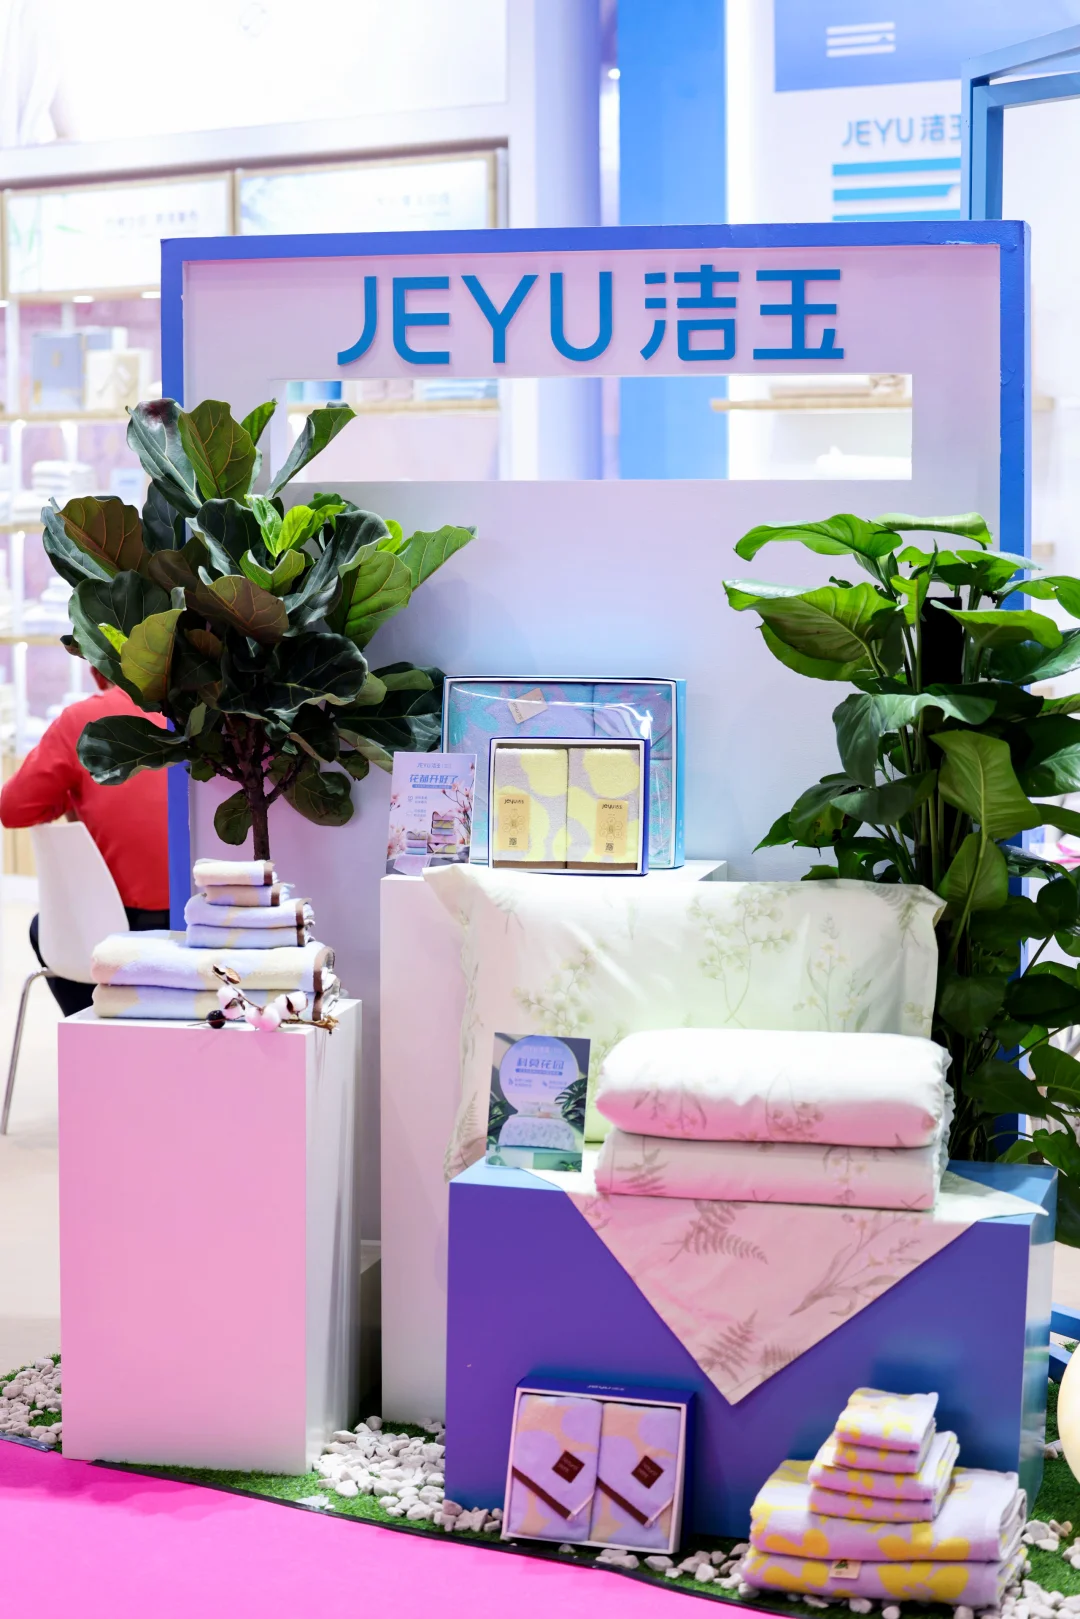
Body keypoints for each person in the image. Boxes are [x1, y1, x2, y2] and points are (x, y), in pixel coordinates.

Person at [0, 670, 169, 1015]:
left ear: (96, 669)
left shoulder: (83, 720)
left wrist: (70, 797)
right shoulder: (211, 715)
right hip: (214, 922)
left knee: (44, 929)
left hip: (118, 930)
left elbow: (13, 809)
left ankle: (96, 1028)